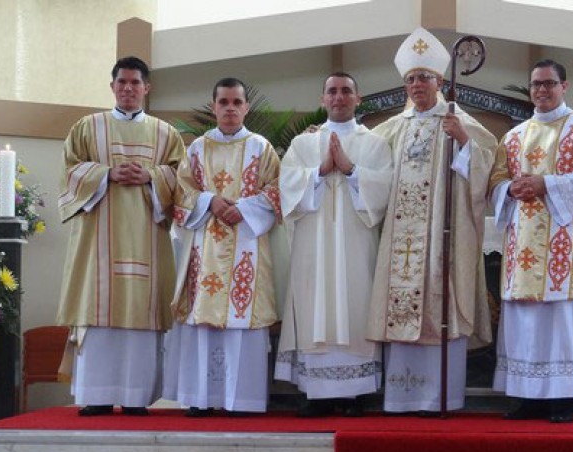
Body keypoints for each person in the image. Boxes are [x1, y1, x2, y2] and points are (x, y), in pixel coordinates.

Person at [488, 59, 573, 423]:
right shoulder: (514, 136)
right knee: (528, 321)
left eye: (549, 83)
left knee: (565, 320)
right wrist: (510, 188)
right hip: (525, 245)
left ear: (565, 87)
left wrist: (545, 184)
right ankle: (529, 396)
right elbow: (495, 185)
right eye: (536, 84)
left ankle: (567, 398)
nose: (542, 90)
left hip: (569, 247)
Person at [367, 27, 497, 415]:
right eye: (410, 79)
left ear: (440, 81)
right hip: (401, 242)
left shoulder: (460, 121)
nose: (417, 84)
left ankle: (442, 397)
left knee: (442, 298)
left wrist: (463, 142)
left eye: (424, 77)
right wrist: (321, 138)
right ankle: (403, 398)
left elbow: (488, 167)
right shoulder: (393, 127)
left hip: (444, 241)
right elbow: (361, 157)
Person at [57, 56, 186, 416]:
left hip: (148, 236)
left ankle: (135, 397)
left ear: (147, 88)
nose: (128, 89)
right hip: (97, 240)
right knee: (99, 315)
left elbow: (185, 179)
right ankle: (96, 396)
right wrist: (107, 174)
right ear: (112, 86)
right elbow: (69, 173)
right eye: (122, 82)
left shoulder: (166, 134)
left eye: (135, 83)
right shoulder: (87, 127)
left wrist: (152, 177)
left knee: (140, 319)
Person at [275, 72, 393, 417]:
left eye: (346, 91)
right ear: (322, 99)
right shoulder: (303, 144)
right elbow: (287, 188)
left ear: (358, 99)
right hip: (312, 244)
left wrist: (352, 170)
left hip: (357, 244)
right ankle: (315, 391)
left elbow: (384, 191)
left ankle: (355, 392)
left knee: (356, 302)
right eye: (332, 92)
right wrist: (320, 171)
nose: (338, 97)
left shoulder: (374, 144)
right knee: (314, 304)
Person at [164, 77, 281, 417]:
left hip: (247, 242)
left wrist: (242, 208)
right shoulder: (198, 148)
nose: (230, 108)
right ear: (214, 106)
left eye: (237, 102)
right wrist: (210, 201)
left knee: (242, 320)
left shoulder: (261, 147)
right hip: (206, 247)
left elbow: (276, 191)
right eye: (224, 102)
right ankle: (201, 398)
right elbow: (182, 193)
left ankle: (241, 399)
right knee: (204, 319)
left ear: (246, 107)